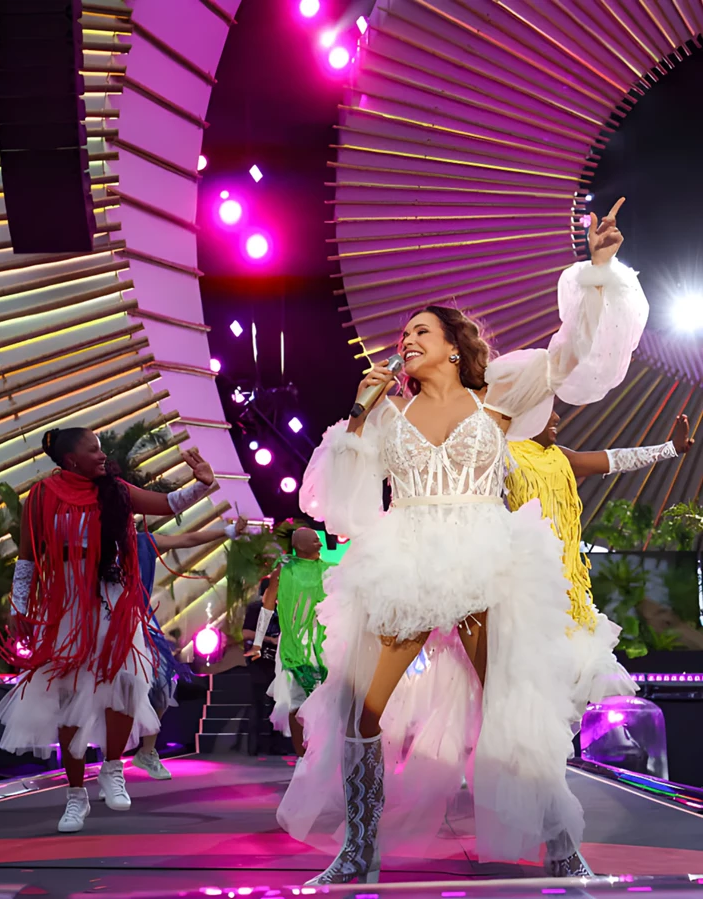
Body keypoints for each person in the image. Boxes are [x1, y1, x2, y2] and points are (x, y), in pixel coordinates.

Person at [277, 199, 649, 881]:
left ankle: (563, 847)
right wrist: (359, 417)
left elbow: (571, 354)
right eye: (404, 333)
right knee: (361, 705)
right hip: (408, 556)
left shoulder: (498, 392)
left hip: (484, 552)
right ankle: (358, 851)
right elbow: (346, 500)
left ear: (453, 342)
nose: (407, 338)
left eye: (421, 329)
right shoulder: (389, 411)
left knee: (511, 701)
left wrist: (598, 271)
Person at [0, 428, 217, 833]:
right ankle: (75, 795)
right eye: (93, 449)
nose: (103, 455)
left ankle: (112, 768)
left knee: (128, 682)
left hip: (112, 600)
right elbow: (28, 559)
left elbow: (168, 504)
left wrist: (203, 484)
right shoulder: (42, 496)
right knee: (67, 698)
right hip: (65, 607)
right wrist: (20, 607)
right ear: (70, 459)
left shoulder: (113, 489)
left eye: (101, 448)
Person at [507, 412, 695, 722]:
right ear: (524, 410)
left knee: (599, 679)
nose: (556, 415)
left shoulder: (559, 457)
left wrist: (670, 448)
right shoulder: (502, 455)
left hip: (571, 599)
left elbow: (614, 459)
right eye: (546, 407)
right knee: (530, 696)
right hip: (525, 595)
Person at [133, 515, 248, 779]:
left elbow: (187, 538)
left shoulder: (144, 542)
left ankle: (147, 751)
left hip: (141, 621)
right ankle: (109, 765)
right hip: (105, 622)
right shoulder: (95, 545)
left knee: (163, 683)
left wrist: (227, 530)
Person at [245, 528, 333, 758]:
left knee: (325, 697)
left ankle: (322, 753)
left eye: (318, 537)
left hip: (324, 641)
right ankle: (302, 757)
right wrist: (257, 643)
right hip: (293, 642)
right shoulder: (284, 571)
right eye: (313, 538)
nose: (319, 540)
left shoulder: (329, 571)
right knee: (297, 699)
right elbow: (268, 606)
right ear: (299, 545)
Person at [242, 584, 281, 756]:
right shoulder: (255, 608)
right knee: (257, 704)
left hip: (278, 661)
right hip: (258, 661)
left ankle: (275, 745)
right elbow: (246, 633)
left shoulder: (284, 607)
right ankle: (253, 746)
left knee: (277, 704)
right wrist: (269, 640)